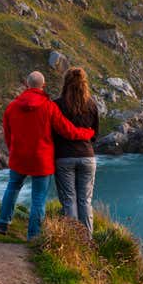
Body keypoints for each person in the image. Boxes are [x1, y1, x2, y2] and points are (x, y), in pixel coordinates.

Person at [0, 71, 95, 239]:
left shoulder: (12, 107)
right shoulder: (49, 107)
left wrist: (13, 151)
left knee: (12, 187)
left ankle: (3, 222)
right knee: (38, 197)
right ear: (43, 86)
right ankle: (33, 235)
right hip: (42, 160)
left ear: (26, 85)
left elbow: (7, 135)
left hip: (19, 157)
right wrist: (87, 133)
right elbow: (67, 131)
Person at [53, 67, 99, 238]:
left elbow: (51, 132)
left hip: (64, 157)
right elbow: (95, 133)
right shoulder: (91, 104)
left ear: (66, 83)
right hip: (87, 156)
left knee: (69, 200)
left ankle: (74, 241)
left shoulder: (57, 105)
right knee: (85, 201)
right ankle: (87, 240)